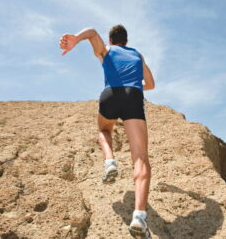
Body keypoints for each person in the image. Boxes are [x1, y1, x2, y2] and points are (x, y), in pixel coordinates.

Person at [59, 24, 155, 238]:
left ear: (111, 41)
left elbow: (92, 32)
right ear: (126, 41)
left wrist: (75, 38)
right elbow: (151, 84)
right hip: (133, 96)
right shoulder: (138, 55)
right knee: (140, 158)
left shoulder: (108, 51)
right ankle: (139, 216)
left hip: (110, 94)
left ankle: (109, 161)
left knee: (104, 129)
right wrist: (134, 85)